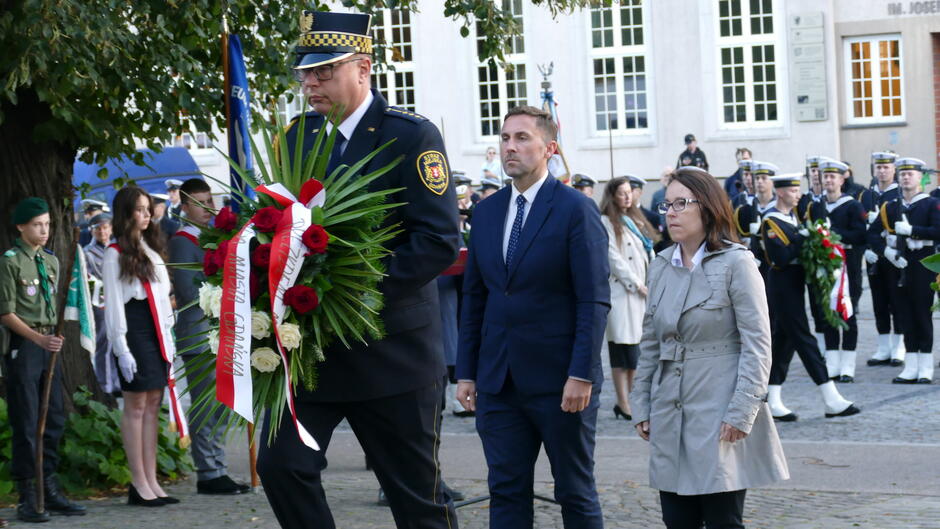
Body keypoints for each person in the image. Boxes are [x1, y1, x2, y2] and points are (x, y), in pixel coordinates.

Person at [257, 11, 460, 529]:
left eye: (323, 72)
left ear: (362, 68)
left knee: (416, 503)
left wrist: (350, 292)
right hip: (315, 356)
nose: (310, 83)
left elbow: (437, 241)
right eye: (305, 73)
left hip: (392, 351)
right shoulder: (295, 138)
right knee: (283, 465)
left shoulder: (409, 137)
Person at [456, 105, 610, 529]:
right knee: (505, 490)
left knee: (575, 492)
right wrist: (466, 371)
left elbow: (593, 299)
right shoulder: (486, 213)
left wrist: (582, 373)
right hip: (499, 383)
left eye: (522, 138)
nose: (510, 147)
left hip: (561, 383)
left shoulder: (575, 209)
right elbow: (476, 299)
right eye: (505, 138)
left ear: (550, 148)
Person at [631, 166, 788, 529]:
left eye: (681, 203)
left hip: (720, 405)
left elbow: (758, 342)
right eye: (667, 205)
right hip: (670, 407)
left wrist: (743, 409)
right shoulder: (659, 266)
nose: (670, 212)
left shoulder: (737, 263)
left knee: (722, 520)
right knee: (677, 519)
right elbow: (651, 343)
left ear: (708, 207)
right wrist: (641, 403)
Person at [0, 198, 86, 523]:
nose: (44, 230)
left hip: (49, 342)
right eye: (37, 224)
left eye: (47, 224)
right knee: (26, 420)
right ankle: (28, 494)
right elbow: (5, 312)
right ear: (21, 226)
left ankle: (48, 487)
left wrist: (52, 338)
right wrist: (38, 339)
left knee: (54, 418)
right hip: (25, 343)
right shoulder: (9, 262)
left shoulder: (50, 262)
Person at [167, 178, 250, 495]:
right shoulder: (184, 241)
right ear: (185, 206)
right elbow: (189, 292)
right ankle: (209, 471)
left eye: (210, 202)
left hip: (218, 330)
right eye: (200, 204)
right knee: (206, 404)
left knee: (220, 405)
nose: (208, 209)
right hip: (199, 333)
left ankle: (218, 466)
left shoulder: (210, 237)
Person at [758, 173, 860, 421]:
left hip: (794, 284)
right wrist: (802, 238)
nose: (798, 195)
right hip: (781, 286)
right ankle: (830, 397)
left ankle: (772, 399)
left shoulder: (791, 218)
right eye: (793, 191)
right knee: (804, 339)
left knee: (784, 342)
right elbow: (779, 259)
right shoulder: (772, 222)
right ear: (781, 192)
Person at [104, 186, 180, 507]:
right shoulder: (114, 252)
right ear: (125, 213)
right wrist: (121, 348)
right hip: (133, 328)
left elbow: (164, 298)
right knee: (135, 406)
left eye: (148, 208)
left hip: (156, 329)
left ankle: (151, 480)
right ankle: (138, 483)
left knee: (152, 405)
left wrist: (168, 334)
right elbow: (113, 307)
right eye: (139, 209)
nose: (147, 215)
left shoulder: (150, 248)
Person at [877, 158, 940, 384]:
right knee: (904, 313)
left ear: (920, 177)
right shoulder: (892, 206)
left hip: (924, 262)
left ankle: (925, 366)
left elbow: (937, 231)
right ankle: (910, 365)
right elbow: (873, 234)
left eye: (910, 174)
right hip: (899, 264)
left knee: (922, 314)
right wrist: (887, 252)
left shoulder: (930, 204)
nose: (905, 177)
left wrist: (913, 230)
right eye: (902, 174)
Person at [599, 177, 649, 422]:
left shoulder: (634, 220)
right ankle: (622, 401)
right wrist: (636, 284)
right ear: (612, 196)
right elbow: (614, 257)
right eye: (622, 193)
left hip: (639, 294)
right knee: (621, 349)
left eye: (630, 192)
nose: (627, 197)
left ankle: (631, 397)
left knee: (635, 352)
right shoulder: (606, 221)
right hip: (622, 293)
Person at [815, 160, 867, 383]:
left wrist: (833, 235)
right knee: (827, 315)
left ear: (842, 179)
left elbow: (860, 236)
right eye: (825, 177)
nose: (828, 180)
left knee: (848, 312)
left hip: (848, 266)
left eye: (832, 177)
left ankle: (848, 365)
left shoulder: (853, 206)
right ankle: (832, 363)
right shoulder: (817, 205)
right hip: (825, 267)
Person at [864, 151, 906, 366]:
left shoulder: (898, 195)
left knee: (896, 301)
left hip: (892, 254)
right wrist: (865, 249)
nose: (881, 171)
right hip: (874, 255)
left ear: (893, 170)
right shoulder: (867, 195)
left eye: (886, 167)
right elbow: (859, 226)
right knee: (879, 302)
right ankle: (883, 346)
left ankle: (899, 346)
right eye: (878, 167)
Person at [83, 212, 120, 395]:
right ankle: (105, 385)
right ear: (91, 231)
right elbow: (89, 280)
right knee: (104, 344)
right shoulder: (87, 253)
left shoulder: (116, 248)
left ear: (111, 228)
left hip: (119, 302)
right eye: (98, 228)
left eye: (105, 227)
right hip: (101, 303)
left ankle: (116, 382)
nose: (102, 232)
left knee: (118, 342)